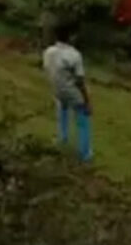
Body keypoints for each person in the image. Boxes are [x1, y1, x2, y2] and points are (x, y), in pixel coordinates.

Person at [43, 22, 92, 162]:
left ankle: (62, 138)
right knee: (83, 120)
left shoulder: (48, 52)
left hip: (57, 89)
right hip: (72, 92)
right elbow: (80, 81)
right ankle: (85, 153)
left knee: (62, 113)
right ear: (71, 37)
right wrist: (87, 101)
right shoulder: (74, 55)